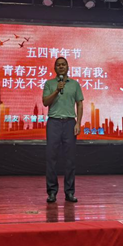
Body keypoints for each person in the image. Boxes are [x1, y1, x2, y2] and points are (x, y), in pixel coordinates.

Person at [42, 57, 84, 204]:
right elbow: (45, 102)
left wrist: (78, 123)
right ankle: (52, 192)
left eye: (63, 65)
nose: (61, 67)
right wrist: (56, 90)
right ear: (55, 68)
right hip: (54, 122)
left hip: (69, 123)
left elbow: (79, 104)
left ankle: (69, 192)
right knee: (51, 159)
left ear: (67, 67)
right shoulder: (49, 83)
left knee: (70, 159)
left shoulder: (75, 84)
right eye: (58, 65)